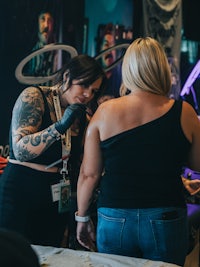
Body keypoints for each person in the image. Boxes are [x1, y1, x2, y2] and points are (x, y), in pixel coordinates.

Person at [76, 37, 200, 266]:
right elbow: (197, 164)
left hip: (114, 216)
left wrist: (82, 218)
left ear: (128, 70)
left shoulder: (104, 113)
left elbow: (89, 174)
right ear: (162, 69)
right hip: (166, 216)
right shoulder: (185, 112)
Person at [0, 54, 106, 248]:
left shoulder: (83, 116)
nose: (88, 95)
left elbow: (85, 164)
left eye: (94, 91)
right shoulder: (35, 96)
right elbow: (20, 149)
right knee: (13, 254)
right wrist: (59, 127)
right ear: (67, 77)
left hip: (56, 193)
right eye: (84, 86)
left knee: (52, 254)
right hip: (21, 187)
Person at [26, 11, 58, 79]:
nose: (46, 25)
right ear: (37, 23)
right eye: (43, 19)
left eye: (50, 21)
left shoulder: (60, 51)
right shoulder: (30, 50)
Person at [97, 23, 122, 99]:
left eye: (113, 46)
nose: (109, 50)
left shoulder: (122, 75)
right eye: (106, 45)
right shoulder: (93, 74)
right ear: (100, 48)